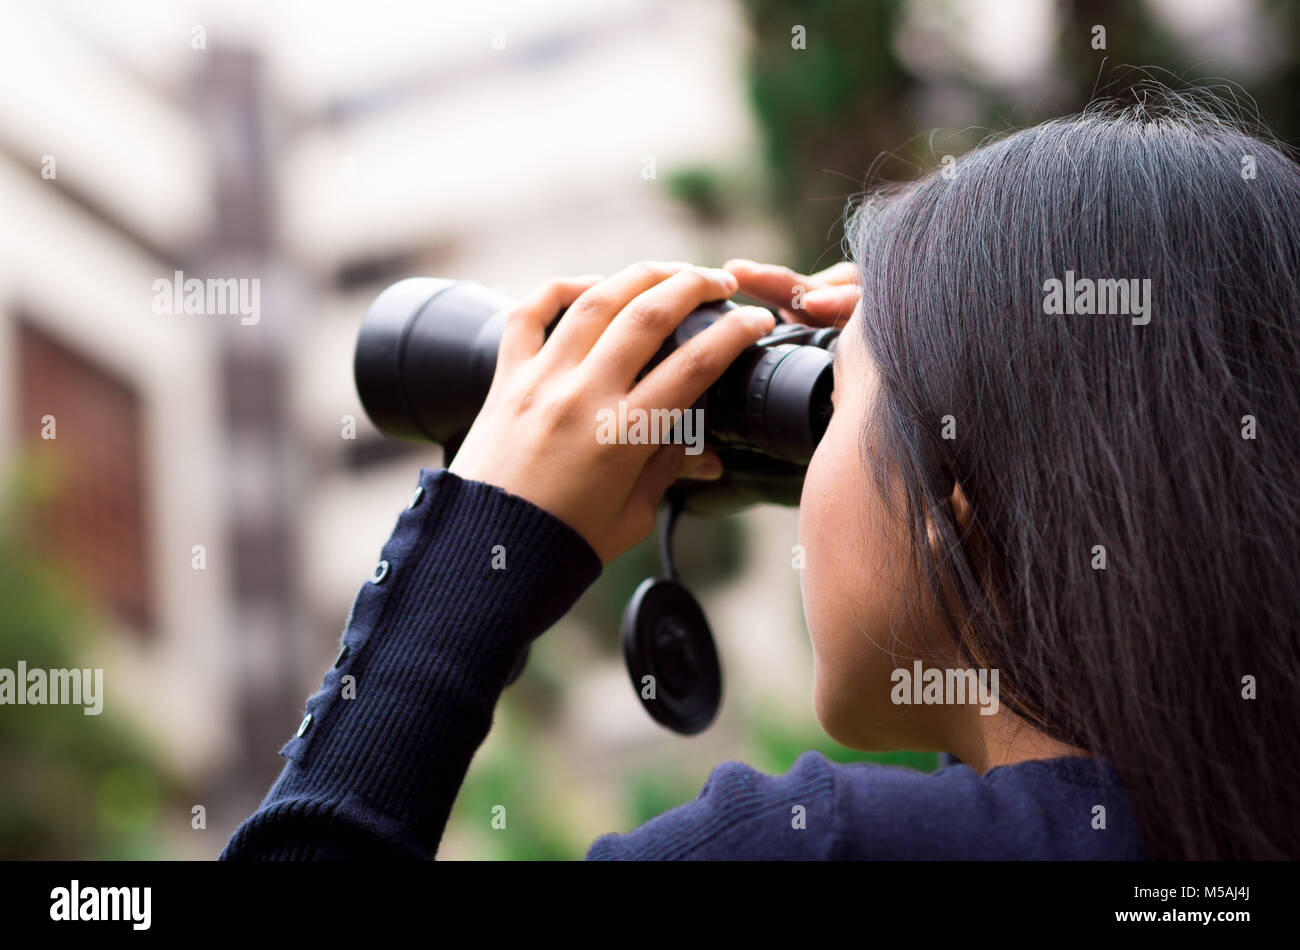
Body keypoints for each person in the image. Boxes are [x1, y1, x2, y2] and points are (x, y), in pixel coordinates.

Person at [221, 88, 1300, 860]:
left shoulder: (813, 844)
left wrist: (476, 546)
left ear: (949, 506)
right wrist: (917, 334)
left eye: (837, 403)